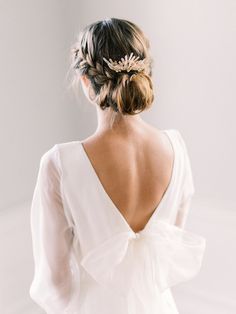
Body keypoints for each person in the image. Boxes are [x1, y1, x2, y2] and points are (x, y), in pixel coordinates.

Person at [29, 17, 206, 314]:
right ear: (145, 72)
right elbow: (167, 253)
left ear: (86, 82)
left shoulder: (59, 165)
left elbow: (55, 281)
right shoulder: (177, 148)